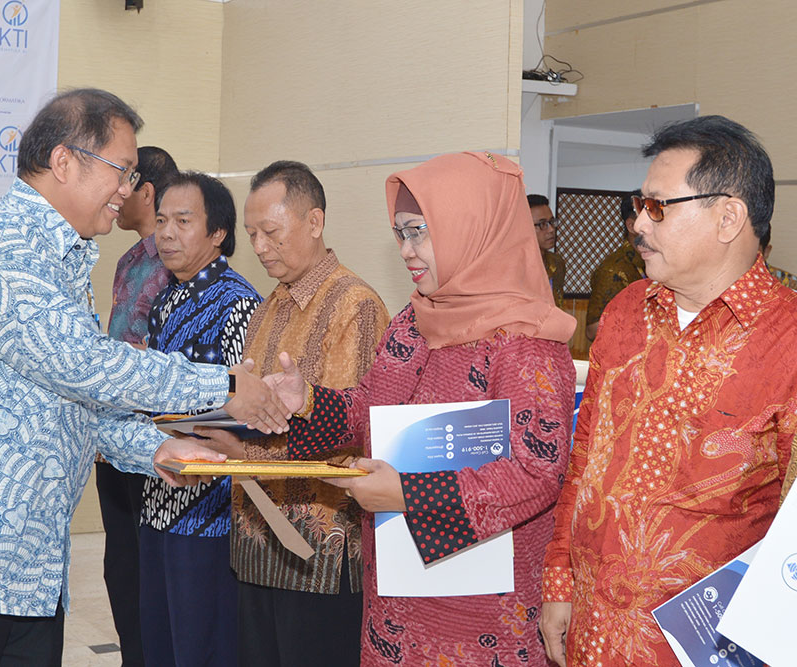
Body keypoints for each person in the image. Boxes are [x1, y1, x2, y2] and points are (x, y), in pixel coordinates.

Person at [0, 88, 290, 666]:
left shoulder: (62, 259)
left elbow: (69, 400)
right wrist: (224, 387)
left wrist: (155, 449)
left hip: (21, 576)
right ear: (64, 162)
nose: (129, 191)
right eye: (122, 171)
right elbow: (82, 363)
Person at [263, 152, 577, 666]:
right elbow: (368, 410)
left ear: (472, 229)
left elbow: (536, 473)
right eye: (400, 233)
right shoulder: (415, 321)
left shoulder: (526, 341)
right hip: (397, 593)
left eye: (419, 232)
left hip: (483, 611)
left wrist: (408, 495)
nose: (406, 250)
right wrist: (308, 401)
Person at [540, 115, 797, 667]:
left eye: (658, 207)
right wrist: (559, 579)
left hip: (706, 649)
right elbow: (584, 460)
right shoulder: (626, 312)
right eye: (641, 204)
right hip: (589, 627)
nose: (638, 223)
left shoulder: (788, 340)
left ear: (728, 218)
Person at [197, 160, 389, 667]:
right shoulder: (268, 306)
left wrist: (242, 453)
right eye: (252, 234)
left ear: (315, 221)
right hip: (256, 541)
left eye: (271, 232)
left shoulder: (355, 305)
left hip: (319, 555)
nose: (260, 246)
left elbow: (353, 434)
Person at [137, 171, 262, 666]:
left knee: (203, 646)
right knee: (159, 643)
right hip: (158, 495)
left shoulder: (239, 304)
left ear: (218, 233)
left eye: (183, 221)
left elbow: (244, 408)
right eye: (161, 220)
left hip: (210, 511)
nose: (166, 233)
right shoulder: (164, 300)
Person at [95, 145, 177, 667]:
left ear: (147, 191)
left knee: (151, 572)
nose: (119, 194)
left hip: (154, 445)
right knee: (120, 568)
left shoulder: (176, 263)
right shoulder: (127, 260)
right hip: (111, 439)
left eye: (128, 183)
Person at [585, 190, 646, 341]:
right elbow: (592, 330)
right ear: (631, 226)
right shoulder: (614, 270)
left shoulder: (656, 264)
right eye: (648, 220)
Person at [529, 194, 566, 307]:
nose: (551, 229)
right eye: (542, 224)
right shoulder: (511, 266)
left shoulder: (556, 263)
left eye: (552, 222)